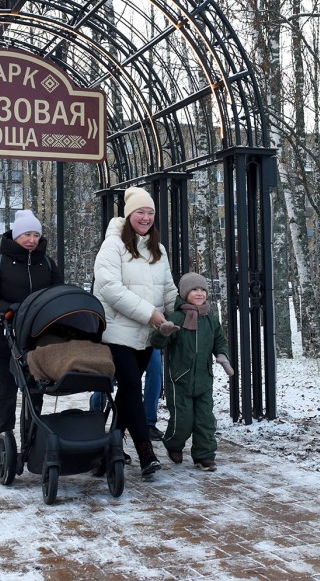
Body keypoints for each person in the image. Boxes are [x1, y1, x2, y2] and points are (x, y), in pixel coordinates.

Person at [93, 187, 177, 476]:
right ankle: (146, 454)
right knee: (130, 388)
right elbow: (109, 289)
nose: (146, 217)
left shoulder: (158, 250)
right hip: (116, 332)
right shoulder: (113, 246)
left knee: (127, 396)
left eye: (150, 212)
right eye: (140, 212)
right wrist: (149, 314)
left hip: (147, 335)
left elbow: (168, 289)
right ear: (129, 215)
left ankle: (108, 453)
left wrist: (183, 310)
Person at [0, 210, 62, 436]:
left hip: (37, 339)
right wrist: (6, 309)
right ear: (16, 236)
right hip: (4, 339)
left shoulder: (48, 264)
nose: (31, 240)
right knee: (6, 390)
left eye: (35, 235)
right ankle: (6, 432)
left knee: (36, 390)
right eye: (26, 235)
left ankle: (32, 435)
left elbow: (58, 294)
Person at [152, 272, 232, 471]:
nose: (199, 293)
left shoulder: (211, 320)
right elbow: (157, 343)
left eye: (203, 290)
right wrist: (163, 333)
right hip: (180, 379)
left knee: (205, 420)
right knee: (183, 420)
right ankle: (173, 443)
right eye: (194, 290)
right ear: (185, 293)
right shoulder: (177, 317)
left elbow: (219, 341)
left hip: (204, 378)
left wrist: (222, 355)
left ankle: (204, 455)